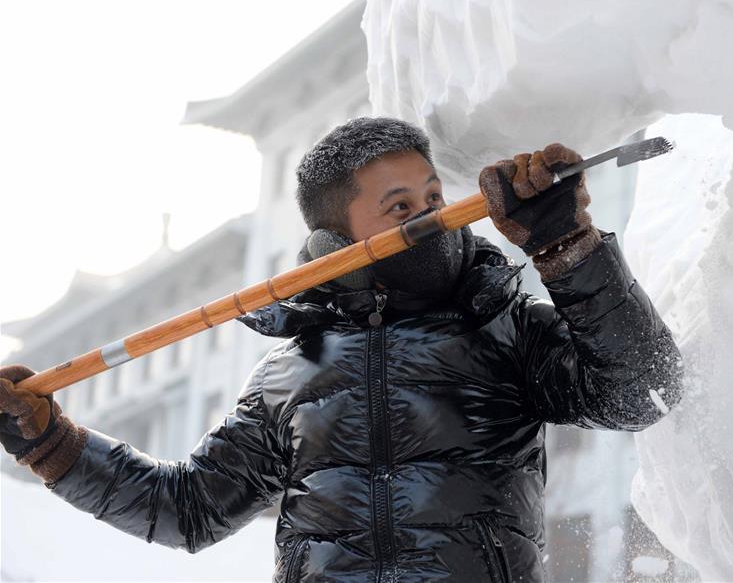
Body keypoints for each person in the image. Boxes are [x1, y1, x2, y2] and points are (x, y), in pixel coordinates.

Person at [0, 116, 684, 582]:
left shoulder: (504, 327)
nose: (435, 216)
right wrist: (52, 445)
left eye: (434, 195)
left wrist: (565, 247)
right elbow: (189, 510)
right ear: (336, 243)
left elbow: (641, 392)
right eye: (399, 208)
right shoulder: (288, 375)